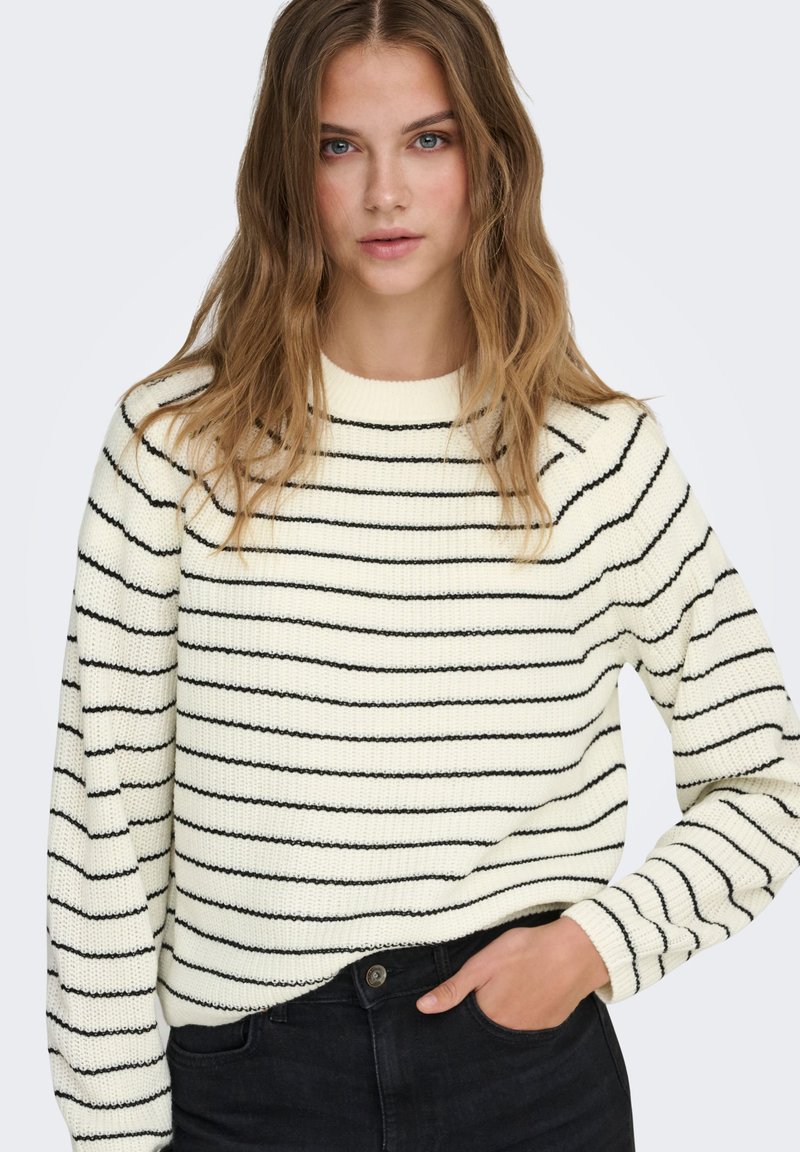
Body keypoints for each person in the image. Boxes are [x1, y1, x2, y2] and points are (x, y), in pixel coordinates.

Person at [45, 1, 800, 1150]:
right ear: (285, 170)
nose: (383, 193)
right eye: (337, 146)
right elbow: (104, 831)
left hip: (522, 1084)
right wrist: (111, 1136)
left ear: (487, 158)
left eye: (428, 140)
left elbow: (765, 783)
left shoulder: (595, 458)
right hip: (247, 1092)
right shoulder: (173, 447)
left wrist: (589, 948)